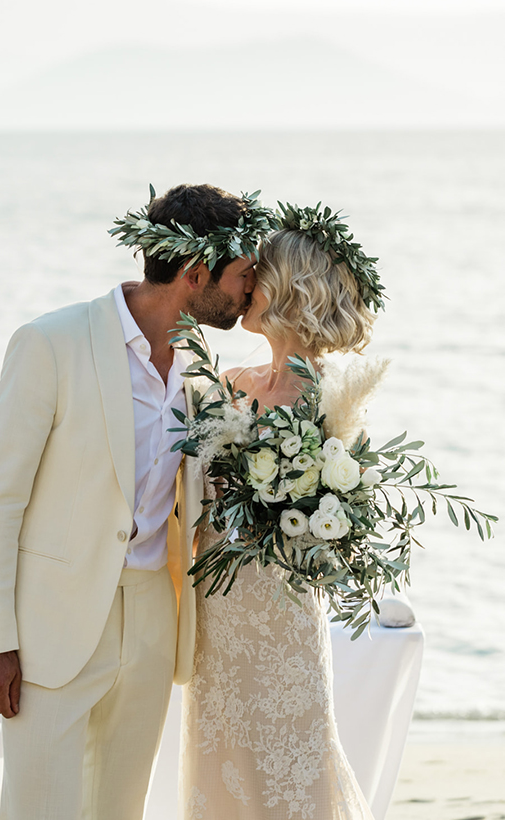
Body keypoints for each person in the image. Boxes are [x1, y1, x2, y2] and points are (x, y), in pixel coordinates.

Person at [0, 183, 271, 820]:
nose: (249, 292)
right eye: (243, 275)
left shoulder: (200, 364)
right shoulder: (51, 343)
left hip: (153, 621)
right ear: (195, 273)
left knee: (119, 810)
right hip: (52, 626)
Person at [180, 220, 379, 819]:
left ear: (288, 291)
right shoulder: (229, 383)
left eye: (257, 277)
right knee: (219, 768)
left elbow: (341, 523)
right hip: (215, 619)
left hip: (282, 627)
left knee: (289, 766)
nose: (246, 289)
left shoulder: (331, 402)